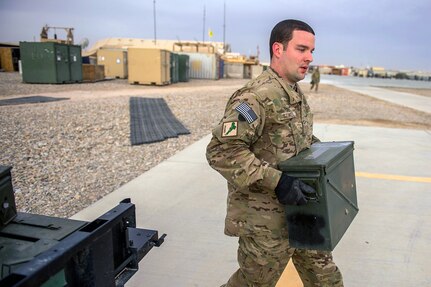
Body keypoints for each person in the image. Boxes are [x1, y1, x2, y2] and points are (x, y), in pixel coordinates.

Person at [206, 19, 343, 286]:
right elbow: (221, 151)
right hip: (266, 223)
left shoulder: (293, 91)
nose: (309, 58)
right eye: (301, 49)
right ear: (278, 49)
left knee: (326, 279)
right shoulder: (254, 97)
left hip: (303, 212)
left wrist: (325, 155)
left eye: (312, 51)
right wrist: (277, 181)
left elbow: (296, 141)